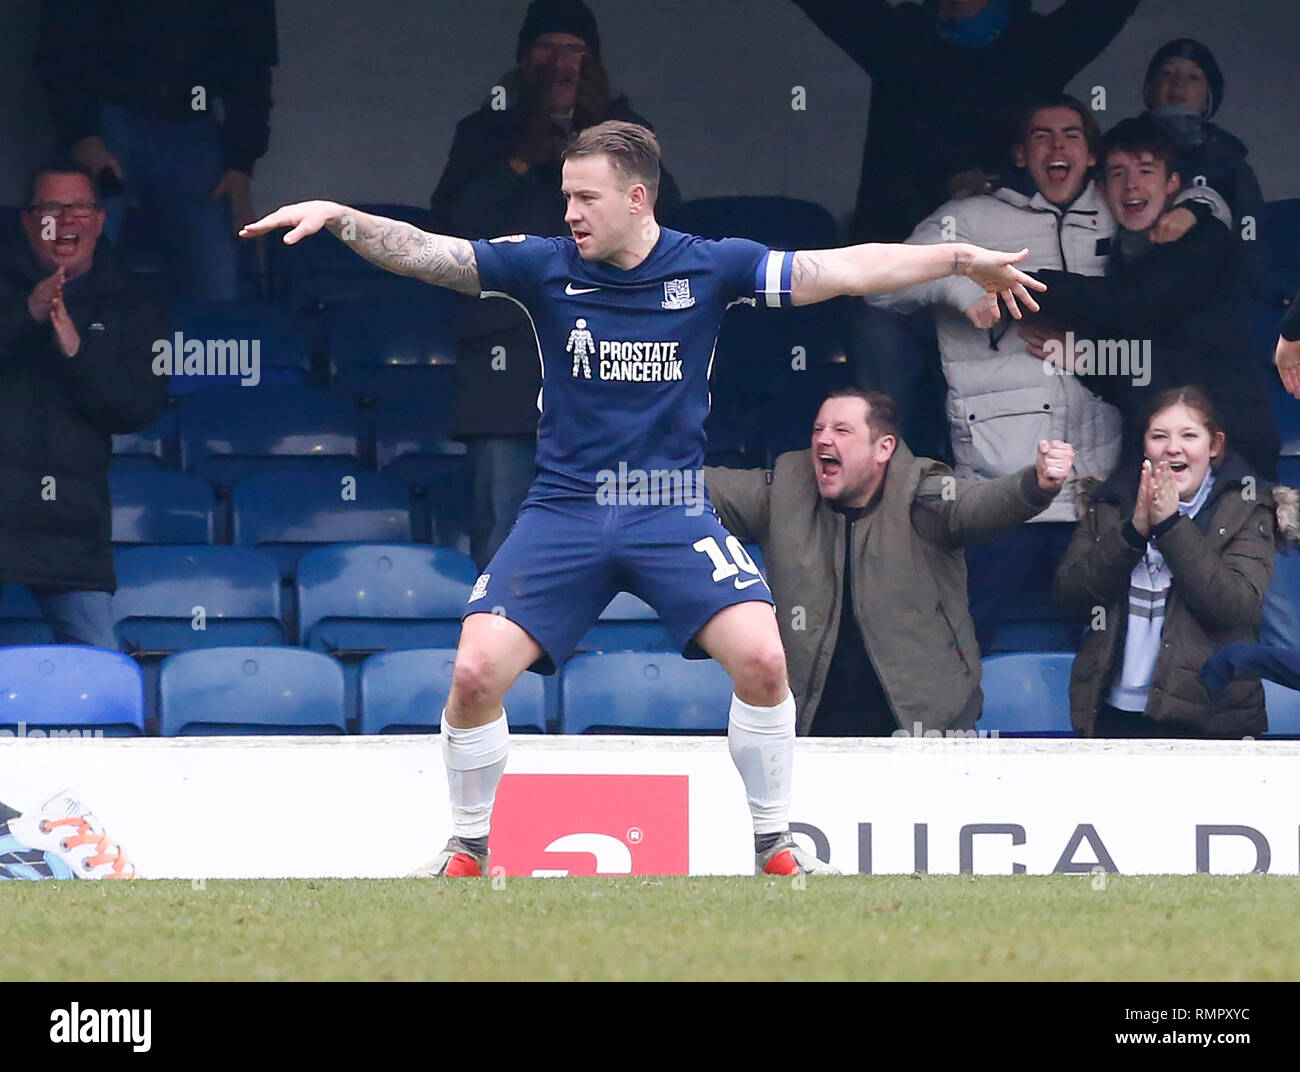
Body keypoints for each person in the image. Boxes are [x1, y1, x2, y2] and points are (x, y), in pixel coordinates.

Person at [242, 120, 1046, 878]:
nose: (569, 213)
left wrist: (955, 259)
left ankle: (774, 843)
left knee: (767, 661)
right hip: (564, 509)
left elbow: (837, 269)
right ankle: (466, 847)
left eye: (584, 198)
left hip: (672, 509)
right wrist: (344, 216)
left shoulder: (712, 265)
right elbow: (434, 254)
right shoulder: (544, 265)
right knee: (476, 674)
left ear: (637, 199)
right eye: (565, 196)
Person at [868, 94, 1226, 652]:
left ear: (1090, 154)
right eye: (1041, 136)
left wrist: (1199, 205)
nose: (1057, 146)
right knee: (961, 651)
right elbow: (882, 283)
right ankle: (932, 744)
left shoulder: (1119, 210)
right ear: (1019, 151)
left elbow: (1192, 207)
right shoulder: (973, 218)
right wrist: (967, 287)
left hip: (1097, 489)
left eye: (1072, 135)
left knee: (1109, 656)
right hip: (1000, 484)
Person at [430, 0, 681, 568]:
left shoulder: (629, 137)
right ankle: (501, 648)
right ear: (523, 59)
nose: (561, 62)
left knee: (607, 533)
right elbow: (460, 228)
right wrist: (522, 157)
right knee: (504, 533)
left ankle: (593, 654)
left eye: (574, 50)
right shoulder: (485, 131)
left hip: (609, 356)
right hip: (507, 363)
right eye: (547, 48)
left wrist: (606, 144)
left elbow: (666, 226)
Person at [704, 387, 1074, 736]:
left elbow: (977, 504)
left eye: (842, 430)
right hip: (813, 729)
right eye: (818, 428)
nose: (823, 439)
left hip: (924, 728)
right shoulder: (787, 488)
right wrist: (648, 475)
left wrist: (1036, 484)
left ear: (883, 448)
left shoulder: (922, 490)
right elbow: (698, 488)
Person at [1021, 116, 1279, 479]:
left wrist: (1018, 283)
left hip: (1230, 454)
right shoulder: (1127, 258)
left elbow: (1129, 305)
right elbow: (1145, 369)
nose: (1131, 186)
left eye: (1145, 171)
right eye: (1117, 174)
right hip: (1166, 464)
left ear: (1173, 183)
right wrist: (1086, 360)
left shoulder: (1203, 239)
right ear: (1103, 188)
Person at [788, 0, 1142, 244]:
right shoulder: (901, 38)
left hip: (998, 261)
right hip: (893, 250)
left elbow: (1103, 10)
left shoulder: (1036, 47)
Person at [1052, 387, 1288, 738]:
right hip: (1114, 713)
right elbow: (1071, 598)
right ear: (1144, 445)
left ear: (1214, 446)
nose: (1173, 447)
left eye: (1189, 435)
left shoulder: (1248, 507)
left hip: (1211, 721)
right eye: (1159, 436)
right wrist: (1134, 531)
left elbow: (1232, 608)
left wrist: (1170, 525)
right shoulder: (1111, 503)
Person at [0, 162, 168, 648]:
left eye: (78, 206)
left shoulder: (134, 303)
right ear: (29, 220)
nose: (65, 218)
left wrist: (76, 351)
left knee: (101, 679)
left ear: (98, 219)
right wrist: (26, 314)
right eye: (51, 207)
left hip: (70, 527)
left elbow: (137, 407)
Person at [34, 0, 279, 301]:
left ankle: (201, 348)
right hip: (105, 117)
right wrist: (82, 133)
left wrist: (241, 165)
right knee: (74, 272)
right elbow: (60, 41)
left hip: (193, 120)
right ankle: (77, 345)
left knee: (215, 276)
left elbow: (252, 64)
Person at [1140, 38, 1263, 281]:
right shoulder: (1116, 152)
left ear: (1209, 96)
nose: (1178, 83)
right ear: (1149, 88)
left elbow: (1251, 252)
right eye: (1167, 73)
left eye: (1193, 77)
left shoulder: (1230, 162)